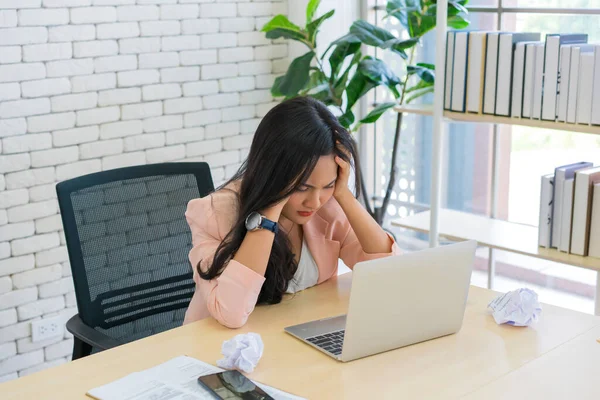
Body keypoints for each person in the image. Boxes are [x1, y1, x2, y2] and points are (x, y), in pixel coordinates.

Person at [183, 97, 400, 328]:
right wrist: (270, 209)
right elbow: (232, 314)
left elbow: (390, 277)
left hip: (289, 340)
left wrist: (343, 194)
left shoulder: (329, 206)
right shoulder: (213, 214)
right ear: (272, 172)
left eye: (328, 185)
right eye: (302, 187)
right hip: (216, 352)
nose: (314, 202)